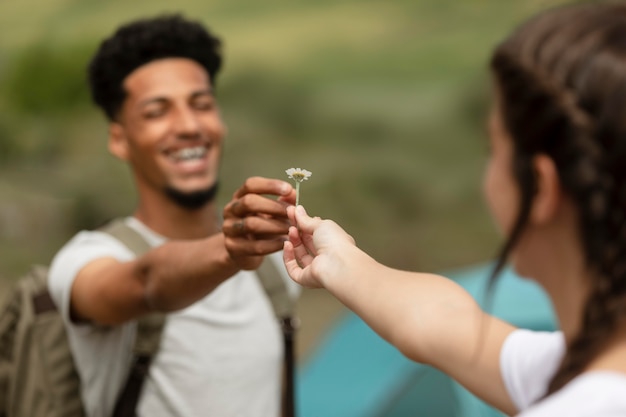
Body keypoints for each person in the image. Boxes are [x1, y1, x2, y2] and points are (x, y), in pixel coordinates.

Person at [283, 1, 626, 416]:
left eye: (493, 149)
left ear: (540, 188)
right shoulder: (580, 366)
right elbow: (443, 322)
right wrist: (340, 262)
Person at [47, 14, 297, 417]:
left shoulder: (274, 268)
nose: (188, 126)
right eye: (156, 111)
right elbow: (146, 284)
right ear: (119, 139)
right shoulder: (84, 261)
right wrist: (229, 250)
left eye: (201, 104)